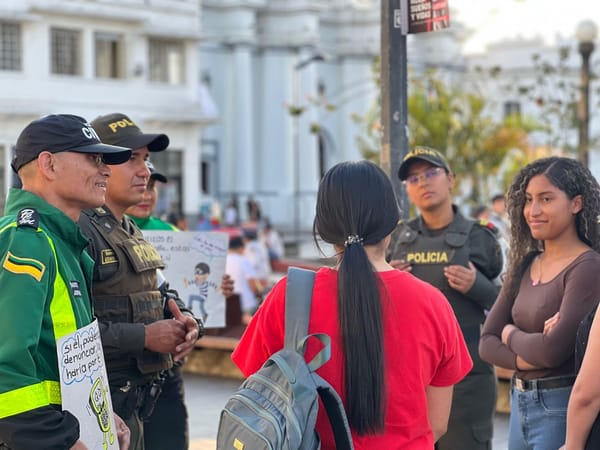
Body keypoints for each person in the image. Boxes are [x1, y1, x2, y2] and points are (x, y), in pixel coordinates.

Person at [232, 160, 473, 448]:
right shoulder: (434, 304)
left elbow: (261, 394)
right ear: (393, 221)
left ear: (323, 227)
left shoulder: (289, 296)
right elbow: (437, 423)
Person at [0, 114, 132, 450]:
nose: (105, 170)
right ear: (49, 164)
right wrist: (58, 440)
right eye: (92, 158)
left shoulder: (62, 243)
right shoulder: (26, 242)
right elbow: (6, 369)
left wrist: (98, 415)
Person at [79, 112, 202, 450]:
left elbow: (164, 293)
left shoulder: (129, 230)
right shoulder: (79, 231)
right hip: (103, 406)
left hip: (142, 401)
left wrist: (190, 323)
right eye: (130, 158)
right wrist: (146, 336)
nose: (145, 171)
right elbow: (66, 334)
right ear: (98, 165)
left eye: (146, 159)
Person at [479, 156, 600, 450]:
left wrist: (509, 334)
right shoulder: (526, 263)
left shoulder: (587, 267)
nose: (533, 211)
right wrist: (525, 355)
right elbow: (485, 343)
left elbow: (552, 351)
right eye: (528, 200)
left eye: (546, 199)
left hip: (559, 407)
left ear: (576, 204)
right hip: (520, 402)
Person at [389, 146, 503, 450]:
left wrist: (478, 285)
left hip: (465, 382)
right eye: (413, 179)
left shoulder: (480, 236)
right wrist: (387, 279)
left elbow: (507, 305)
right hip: (408, 381)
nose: (423, 183)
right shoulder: (396, 239)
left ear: (450, 178)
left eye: (431, 173)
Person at [124, 156, 234, 450]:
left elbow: (188, 293)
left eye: (152, 186)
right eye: (142, 184)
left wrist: (216, 289)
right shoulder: (104, 232)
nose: (146, 194)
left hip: (168, 367)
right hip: (126, 368)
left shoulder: (172, 234)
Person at [226, 236, 262, 324]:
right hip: (246, 304)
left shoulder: (222, 261)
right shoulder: (244, 261)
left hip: (229, 305)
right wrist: (258, 294)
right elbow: (253, 285)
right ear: (240, 248)